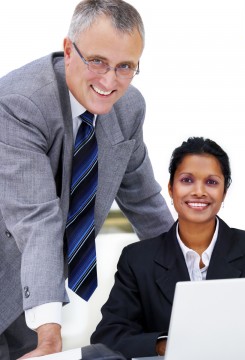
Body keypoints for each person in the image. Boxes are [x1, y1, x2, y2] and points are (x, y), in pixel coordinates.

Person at [0, 1, 174, 359]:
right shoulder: (17, 103)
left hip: (29, 301)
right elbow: (37, 220)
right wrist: (50, 334)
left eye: (125, 66)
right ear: (68, 50)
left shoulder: (128, 109)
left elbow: (146, 204)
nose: (109, 81)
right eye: (97, 61)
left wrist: (194, 283)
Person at [90, 137, 245, 359]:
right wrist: (164, 344)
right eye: (187, 180)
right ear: (171, 189)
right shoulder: (137, 259)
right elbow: (108, 336)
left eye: (212, 182)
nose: (199, 191)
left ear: (224, 192)